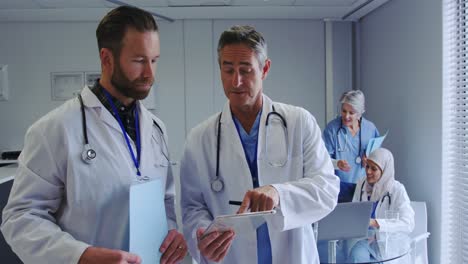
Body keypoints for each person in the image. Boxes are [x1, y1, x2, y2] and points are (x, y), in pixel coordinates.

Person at [1, 6, 187, 264]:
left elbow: (165, 200)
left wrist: (171, 232)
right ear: (107, 58)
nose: (149, 73)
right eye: (139, 61)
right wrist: (81, 256)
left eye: (154, 60)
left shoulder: (156, 128)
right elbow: (20, 218)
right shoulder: (55, 128)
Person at [180, 25, 340, 264]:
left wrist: (279, 194)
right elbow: (192, 207)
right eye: (228, 70)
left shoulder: (299, 122)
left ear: (264, 69)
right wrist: (203, 234)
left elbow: (327, 189)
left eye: (246, 70)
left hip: (292, 255)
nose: (236, 81)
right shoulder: (199, 138)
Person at [348, 147, 415, 262]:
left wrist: (376, 223)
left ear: (384, 171)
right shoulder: (362, 183)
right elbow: (354, 210)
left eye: (374, 169)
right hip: (365, 241)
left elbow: (408, 223)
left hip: (389, 244)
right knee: (356, 255)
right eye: (367, 166)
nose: (368, 172)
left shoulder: (397, 190)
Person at [323, 90, 380, 203]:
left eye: (351, 112)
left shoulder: (370, 129)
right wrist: (337, 163)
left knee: (363, 219)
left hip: (364, 187)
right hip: (339, 188)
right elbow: (321, 160)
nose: (346, 116)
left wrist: (370, 161)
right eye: (344, 111)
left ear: (359, 113)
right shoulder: (332, 129)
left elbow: (379, 158)